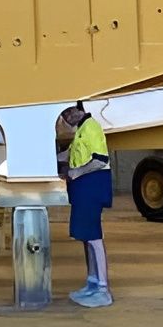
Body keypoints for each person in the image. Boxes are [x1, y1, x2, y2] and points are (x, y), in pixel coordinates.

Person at [58, 102, 114, 307]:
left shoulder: (91, 126)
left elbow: (100, 159)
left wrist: (76, 173)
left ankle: (102, 287)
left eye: (67, 112)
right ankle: (92, 282)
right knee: (85, 237)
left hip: (91, 185)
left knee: (93, 237)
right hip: (83, 188)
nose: (66, 117)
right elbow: (70, 155)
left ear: (77, 109)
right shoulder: (81, 129)